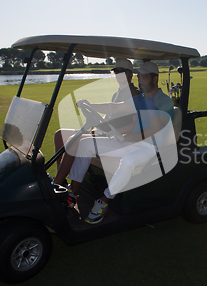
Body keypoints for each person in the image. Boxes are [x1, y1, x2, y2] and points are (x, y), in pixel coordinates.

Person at [54, 61, 174, 224]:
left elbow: (151, 131)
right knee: (85, 144)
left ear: (155, 78)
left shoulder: (164, 101)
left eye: (144, 77)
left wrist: (124, 138)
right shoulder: (139, 99)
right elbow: (115, 107)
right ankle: (73, 193)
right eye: (139, 77)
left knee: (129, 160)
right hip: (131, 141)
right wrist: (90, 105)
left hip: (150, 147)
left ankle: (103, 201)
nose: (140, 80)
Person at [53, 58, 139, 193]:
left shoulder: (134, 94)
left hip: (117, 135)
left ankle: (56, 184)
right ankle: (61, 179)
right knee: (60, 135)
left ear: (130, 74)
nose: (119, 75)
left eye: (123, 71)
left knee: (75, 141)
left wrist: (91, 106)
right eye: (116, 71)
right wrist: (97, 126)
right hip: (105, 131)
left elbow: (114, 109)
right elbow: (108, 116)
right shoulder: (117, 93)